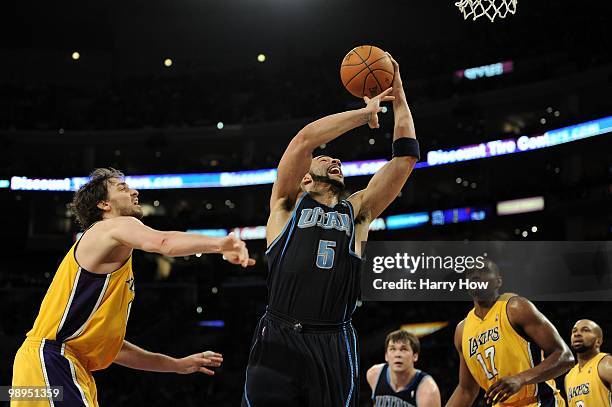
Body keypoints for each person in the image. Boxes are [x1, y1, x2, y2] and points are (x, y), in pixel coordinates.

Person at [241, 54, 420, 406]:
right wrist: (363, 114)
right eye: (327, 159)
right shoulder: (287, 205)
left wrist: (399, 96)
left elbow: (405, 158)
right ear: (305, 177)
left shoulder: (358, 211)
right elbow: (304, 140)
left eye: (337, 160)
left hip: (334, 340)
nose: (336, 160)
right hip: (279, 332)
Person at [11, 168, 255, 407]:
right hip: (50, 359)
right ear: (104, 205)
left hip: (51, 365)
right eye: (123, 188)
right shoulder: (111, 226)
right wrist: (222, 244)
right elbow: (163, 242)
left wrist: (177, 365)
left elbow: (115, 349)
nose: (135, 192)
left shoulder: (112, 256)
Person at [446, 261, 574, 406]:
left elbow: (565, 357)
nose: (475, 275)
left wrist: (520, 379)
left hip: (540, 402)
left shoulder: (515, 307)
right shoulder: (462, 330)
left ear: (498, 281)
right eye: (470, 273)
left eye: (483, 271)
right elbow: (466, 390)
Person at [367, 330, 441, 407]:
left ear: (415, 356)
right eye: (392, 349)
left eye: (403, 349)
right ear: (386, 356)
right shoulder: (374, 374)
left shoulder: (428, 390)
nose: (397, 355)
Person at [565, 319, 612, 406]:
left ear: (598, 341)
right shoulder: (569, 376)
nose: (577, 334)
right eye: (574, 331)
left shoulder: (606, 364)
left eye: (585, 330)